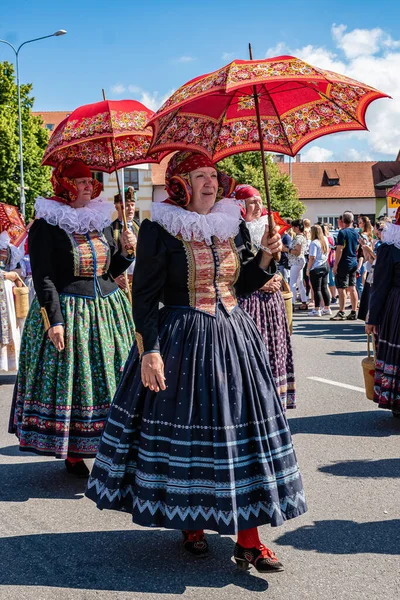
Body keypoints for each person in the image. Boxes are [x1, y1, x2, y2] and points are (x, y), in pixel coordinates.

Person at [86, 152, 307, 573]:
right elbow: (145, 297)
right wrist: (149, 350)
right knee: (191, 435)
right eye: (199, 176)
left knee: (243, 437)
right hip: (182, 339)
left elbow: (240, 285)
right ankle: (192, 523)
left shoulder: (231, 222)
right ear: (180, 184)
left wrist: (263, 256)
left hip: (234, 337)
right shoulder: (159, 229)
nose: (209, 182)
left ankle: (249, 539)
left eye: (212, 175)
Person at [9, 159, 136, 477]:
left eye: (88, 181)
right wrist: (55, 320)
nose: (87, 186)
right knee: (76, 383)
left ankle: (115, 445)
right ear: (64, 186)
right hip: (70, 310)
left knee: (116, 377)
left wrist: (126, 254)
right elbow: (44, 276)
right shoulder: (47, 224)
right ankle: (75, 451)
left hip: (108, 310)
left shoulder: (102, 220)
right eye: (79, 182)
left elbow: (108, 272)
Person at [234, 184, 296, 410]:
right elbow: (238, 270)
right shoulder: (233, 231)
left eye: (260, 201)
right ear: (240, 205)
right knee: (254, 351)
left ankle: (275, 401)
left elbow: (277, 261)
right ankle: (255, 402)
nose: (258, 206)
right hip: (249, 301)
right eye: (252, 202)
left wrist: (276, 276)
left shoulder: (267, 227)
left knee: (275, 347)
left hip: (272, 302)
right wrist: (262, 281)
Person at [366, 208, 400, 418]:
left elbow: (379, 286)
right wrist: (373, 317)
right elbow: (379, 286)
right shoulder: (390, 248)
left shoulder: (390, 248)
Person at [0, 231, 24, 372]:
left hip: (5, 289)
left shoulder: (8, 244)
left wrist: (12, 274)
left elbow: (19, 271)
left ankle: (4, 363)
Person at [109, 187, 140, 293]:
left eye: (132, 204)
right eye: (126, 205)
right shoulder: (110, 229)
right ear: (117, 207)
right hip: (120, 281)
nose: (131, 209)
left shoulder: (141, 228)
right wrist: (113, 277)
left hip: (139, 279)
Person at [330, 211, 359, 321]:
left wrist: (335, 264)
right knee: (352, 287)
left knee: (341, 287)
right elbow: (357, 247)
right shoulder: (356, 232)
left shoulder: (342, 233)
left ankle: (341, 311)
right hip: (353, 261)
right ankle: (354, 311)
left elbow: (339, 249)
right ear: (352, 221)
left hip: (344, 262)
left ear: (342, 221)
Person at [306, 225, 331, 316]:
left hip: (316, 267)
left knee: (317, 289)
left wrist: (308, 269)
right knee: (324, 287)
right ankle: (327, 308)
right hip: (325, 264)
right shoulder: (325, 239)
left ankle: (317, 309)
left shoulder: (314, 243)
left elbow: (312, 257)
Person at [288, 219, 308, 310]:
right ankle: (304, 301)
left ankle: (291, 304)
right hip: (299, 261)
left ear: (296, 227)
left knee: (292, 283)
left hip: (296, 261)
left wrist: (286, 250)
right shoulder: (302, 237)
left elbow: (297, 251)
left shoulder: (298, 238)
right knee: (300, 282)